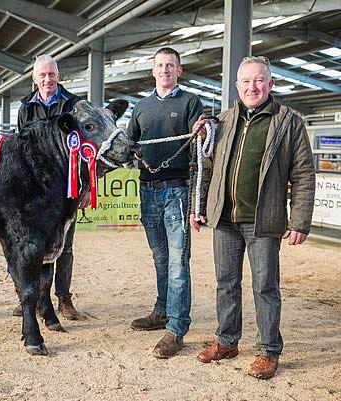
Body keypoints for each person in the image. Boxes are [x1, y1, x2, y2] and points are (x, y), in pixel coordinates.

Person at [191, 56, 315, 380]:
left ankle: (268, 350)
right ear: (236, 86)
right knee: (226, 284)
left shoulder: (289, 122)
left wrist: (300, 220)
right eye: (245, 81)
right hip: (225, 219)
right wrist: (199, 206)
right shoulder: (222, 121)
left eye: (259, 80)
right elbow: (205, 168)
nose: (252, 86)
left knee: (265, 287)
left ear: (271, 84)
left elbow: (303, 173)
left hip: (264, 220)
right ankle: (227, 341)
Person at [126, 47, 204, 358]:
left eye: (170, 65)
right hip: (148, 190)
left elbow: (202, 140)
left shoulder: (190, 102)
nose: (165, 70)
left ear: (179, 71)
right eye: (160, 65)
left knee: (177, 262)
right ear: (153, 71)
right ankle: (161, 310)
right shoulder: (141, 107)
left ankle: (176, 327)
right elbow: (130, 144)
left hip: (177, 191)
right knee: (160, 259)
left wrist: (202, 127)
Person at [14, 54, 84, 320]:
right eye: (42, 75)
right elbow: (20, 148)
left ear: (59, 76)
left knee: (64, 246)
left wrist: (85, 188)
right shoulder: (25, 109)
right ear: (34, 78)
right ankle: (28, 297)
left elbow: (85, 151)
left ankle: (64, 298)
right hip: (35, 190)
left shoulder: (75, 106)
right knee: (30, 245)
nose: (47, 79)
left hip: (67, 187)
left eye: (51, 74)